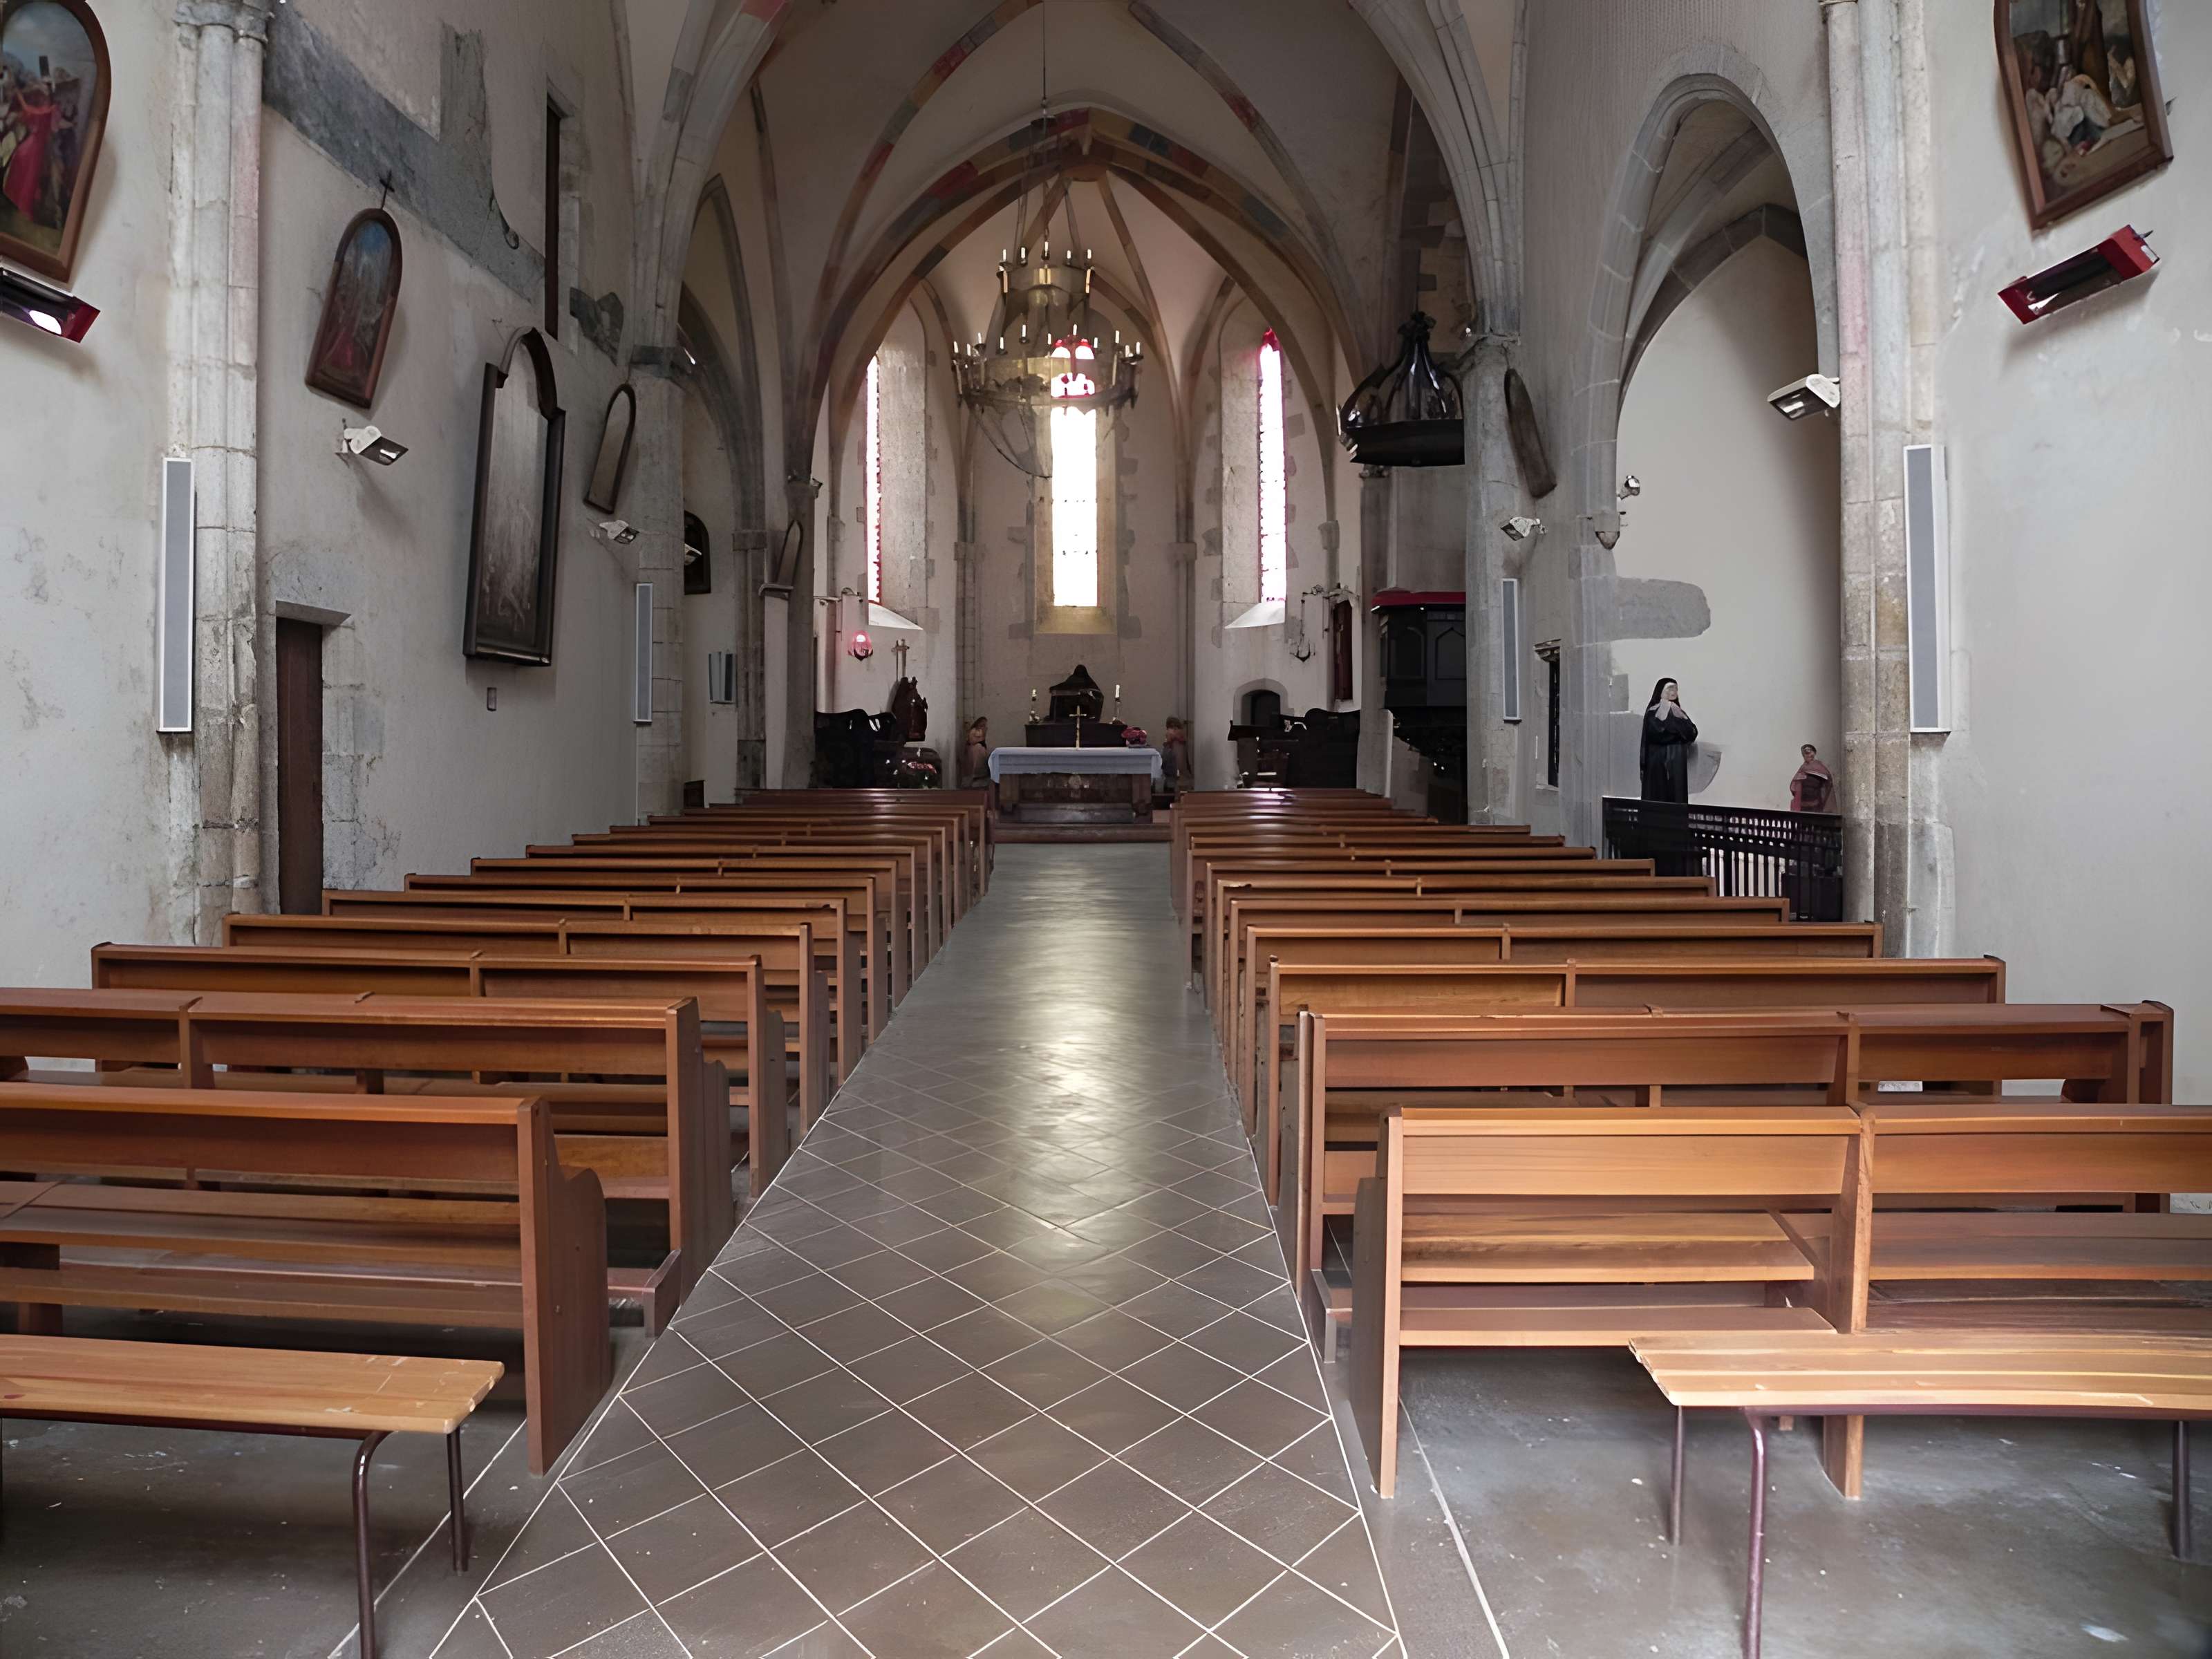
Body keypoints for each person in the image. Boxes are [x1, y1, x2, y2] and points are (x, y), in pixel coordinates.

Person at [1638, 677, 1697, 803]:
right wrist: (1678, 734)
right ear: (1660, 691)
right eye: (1670, 688)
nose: (1674, 691)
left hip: (1676, 765)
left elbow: (1692, 732)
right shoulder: (1653, 712)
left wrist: (1676, 713)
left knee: (1675, 800)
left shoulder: (1678, 711)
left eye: (1676, 688)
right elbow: (1657, 733)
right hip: (1657, 765)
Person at [1789, 743, 1835, 813]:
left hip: (1815, 801)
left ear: (1814, 753)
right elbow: (1794, 784)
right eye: (1805, 753)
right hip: (1803, 802)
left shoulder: (1820, 767)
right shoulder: (1803, 768)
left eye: (1809, 751)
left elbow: (1828, 781)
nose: (1808, 754)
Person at [962, 717, 990, 789]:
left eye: (985, 725)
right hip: (974, 748)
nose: (984, 727)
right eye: (982, 724)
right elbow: (972, 740)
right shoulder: (974, 731)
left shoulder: (982, 733)